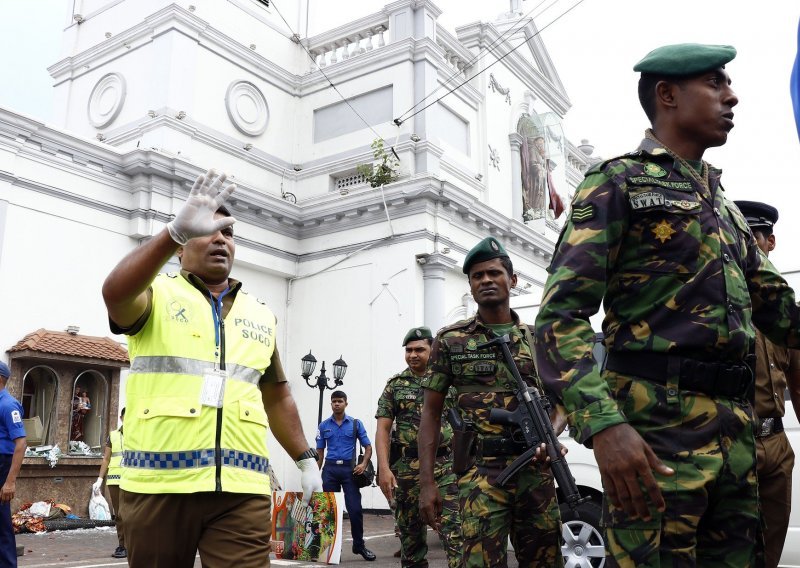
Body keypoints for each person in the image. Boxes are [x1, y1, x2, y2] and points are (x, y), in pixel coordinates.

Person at [534, 43, 800, 567]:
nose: (733, 96)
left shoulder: (723, 206)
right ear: (668, 94)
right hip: (655, 443)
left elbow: (782, 311)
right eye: (716, 83)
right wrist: (605, 427)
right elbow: (559, 317)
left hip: (736, 442)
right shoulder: (617, 182)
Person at [102, 169, 323, 568]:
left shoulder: (260, 314)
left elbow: (277, 394)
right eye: (207, 230)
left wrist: (304, 458)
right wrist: (171, 231)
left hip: (241, 491)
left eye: (229, 232)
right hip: (159, 487)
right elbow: (115, 294)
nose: (221, 238)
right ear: (182, 248)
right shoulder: (156, 294)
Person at [419, 237, 561, 567]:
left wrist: (549, 436)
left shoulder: (539, 339)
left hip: (536, 472)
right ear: (470, 285)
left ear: (512, 280)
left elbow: (562, 402)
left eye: (494, 273)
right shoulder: (451, 339)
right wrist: (427, 484)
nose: (485, 280)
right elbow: (430, 412)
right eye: (477, 276)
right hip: (480, 474)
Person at [735, 200, 800, 568]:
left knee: (770, 551)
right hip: (731, 441)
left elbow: (798, 382)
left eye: (751, 241)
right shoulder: (715, 305)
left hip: (776, 445)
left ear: (769, 242)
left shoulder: (784, 311)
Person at [375, 327, 462, 568]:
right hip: (405, 471)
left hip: (444, 468)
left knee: (455, 536)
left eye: (419, 349)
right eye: (408, 350)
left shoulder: (450, 384)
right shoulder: (395, 385)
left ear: (432, 351)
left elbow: (463, 425)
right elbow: (383, 429)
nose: (413, 355)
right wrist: (383, 468)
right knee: (411, 544)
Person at [316, 391, 376, 561]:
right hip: (330, 471)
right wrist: (314, 474)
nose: (336, 404)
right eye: (334, 401)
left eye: (340, 401)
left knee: (355, 510)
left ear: (346, 404)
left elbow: (368, 447)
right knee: (330, 512)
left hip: (350, 472)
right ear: (331, 404)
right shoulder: (323, 426)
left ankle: (359, 545)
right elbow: (320, 452)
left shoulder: (356, 424)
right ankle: (333, 550)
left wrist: (363, 464)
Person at [0, 361, 26, 568]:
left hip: (2, 465)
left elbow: (21, 443)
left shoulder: (8, 405)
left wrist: (10, 482)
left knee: (1, 522)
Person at [92, 407, 127, 559]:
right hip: (115, 480)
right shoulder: (113, 436)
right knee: (119, 515)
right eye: (127, 417)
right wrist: (99, 479)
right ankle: (123, 546)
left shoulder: (140, 435)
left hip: (135, 479)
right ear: (121, 418)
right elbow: (106, 458)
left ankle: (137, 544)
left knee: (135, 514)